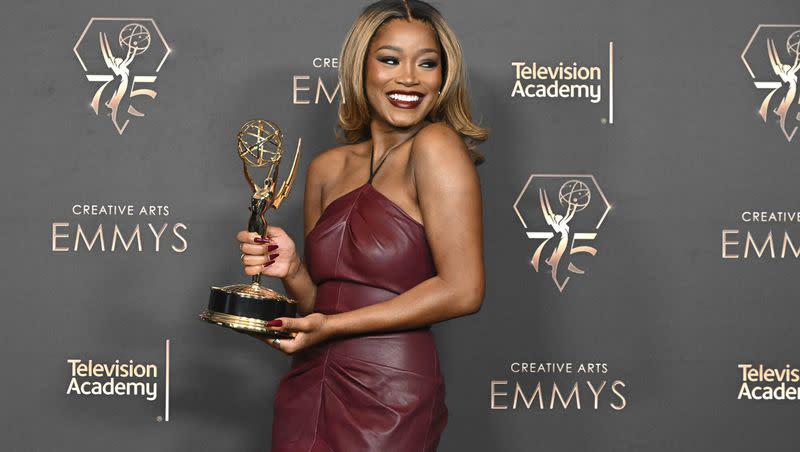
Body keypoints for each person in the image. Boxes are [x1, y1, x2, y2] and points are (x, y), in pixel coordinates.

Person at [236, 1, 488, 450]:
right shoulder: (326, 168)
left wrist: (332, 328)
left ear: (442, 77)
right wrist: (292, 270)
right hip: (310, 381)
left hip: (390, 392)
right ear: (361, 67)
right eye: (390, 59)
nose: (409, 77)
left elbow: (463, 290)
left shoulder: (436, 146)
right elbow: (321, 306)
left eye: (426, 63)